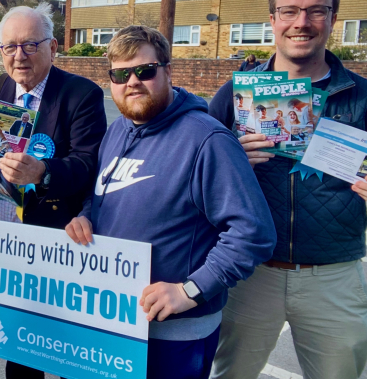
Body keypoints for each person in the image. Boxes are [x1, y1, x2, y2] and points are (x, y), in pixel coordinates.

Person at [208, 0, 367, 379]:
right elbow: (197, 177)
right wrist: (230, 164)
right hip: (250, 273)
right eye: (289, 11)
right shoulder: (234, 94)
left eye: (316, 11)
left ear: (333, 19)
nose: (301, 22)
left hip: (334, 278)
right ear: (273, 21)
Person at [65, 25, 276, 379]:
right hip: (112, 320)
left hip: (173, 333)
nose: (132, 81)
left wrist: (191, 290)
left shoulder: (207, 140)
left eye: (144, 71)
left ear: (167, 71)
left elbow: (252, 233)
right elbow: (100, 191)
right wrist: (85, 216)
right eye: (119, 74)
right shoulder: (117, 129)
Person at [0, 2, 107, 379]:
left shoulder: (81, 94)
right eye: (9, 46)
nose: (18, 56)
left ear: (53, 47)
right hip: (4, 237)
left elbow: (90, 163)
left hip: (58, 236)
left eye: (29, 45)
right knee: (19, 347)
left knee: (66, 348)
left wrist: (43, 171)